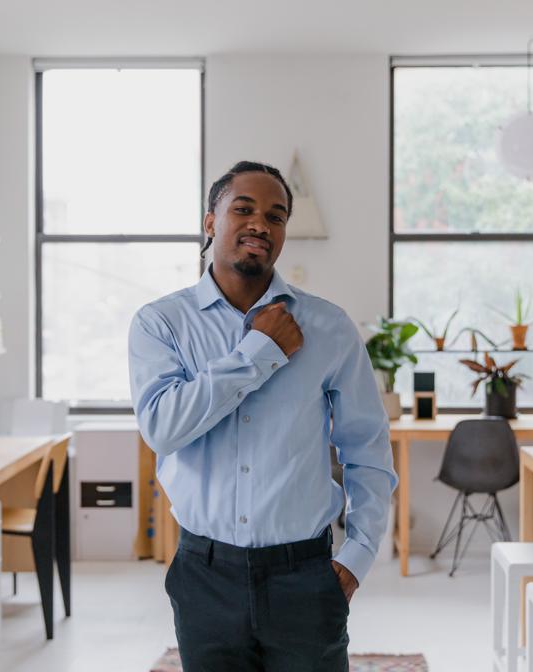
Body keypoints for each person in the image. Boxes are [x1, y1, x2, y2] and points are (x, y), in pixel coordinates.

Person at [128, 160, 398, 671]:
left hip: (306, 574)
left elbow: (367, 445)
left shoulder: (328, 326)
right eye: (243, 209)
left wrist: (357, 556)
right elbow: (163, 427)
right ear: (211, 221)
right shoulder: (160, 323)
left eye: (276, 216)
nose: (260, 224)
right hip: (203, 575)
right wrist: (259, 352)